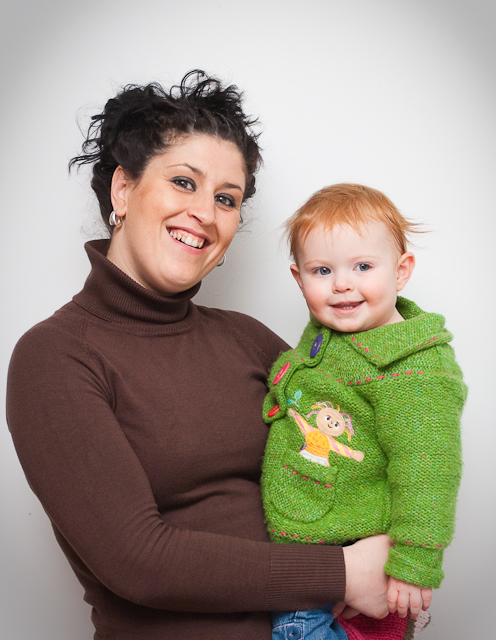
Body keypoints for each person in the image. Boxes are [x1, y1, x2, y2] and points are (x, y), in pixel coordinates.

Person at [6, 73, 391, 640]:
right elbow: (137, 559)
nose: (205, 213)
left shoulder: (247, 339)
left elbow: (365, 440)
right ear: (123, 190)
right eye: (184, 182)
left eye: (226, 198)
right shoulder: (55, 357)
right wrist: (342, 573)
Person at [261, 184, 467, 640]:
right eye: (322, 270)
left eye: (363, 266)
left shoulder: (413, 369)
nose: (341, 284)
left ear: (401, 270)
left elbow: (428, 469)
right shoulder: (329, 331)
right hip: (312, 540)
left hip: (354, 550)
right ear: (299, 278)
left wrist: (414, 562)